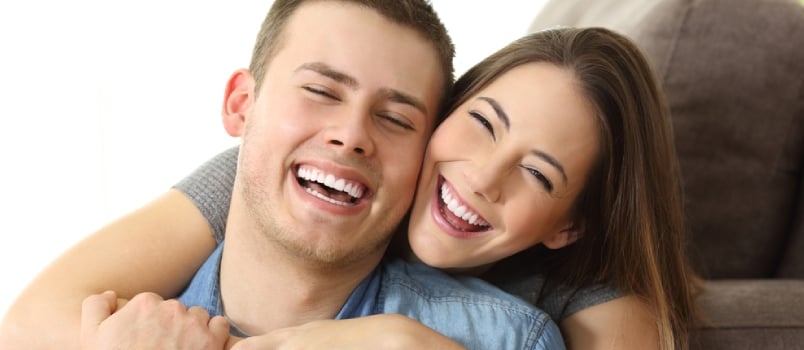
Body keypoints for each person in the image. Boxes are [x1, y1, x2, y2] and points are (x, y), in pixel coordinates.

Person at [2, 8, 701, 350]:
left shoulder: (516, 329)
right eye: (320, 92)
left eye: (396, 119)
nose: (349, 136)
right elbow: (27, 323)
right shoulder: (127, 319)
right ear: (241, 106)